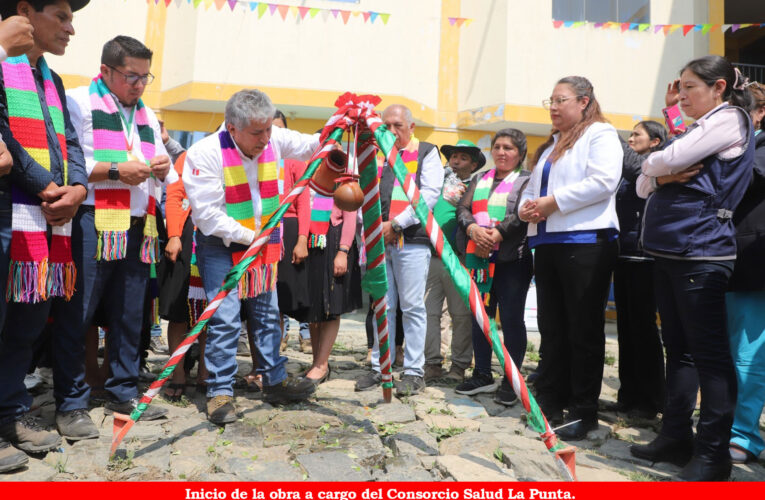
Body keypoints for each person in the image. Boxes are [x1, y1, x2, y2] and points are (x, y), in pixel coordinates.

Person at [629, 56, 755, 481]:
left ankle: (714, 453)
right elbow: (646, 180)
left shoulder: (729, 119)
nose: (680, 96)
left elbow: (664, 159)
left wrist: (660, 166)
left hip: (702, 252)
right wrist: (662, 172)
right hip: (670, 251)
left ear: (718, 87)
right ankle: (675, 435)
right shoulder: (700, 126)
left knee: (710, 356)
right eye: (678, 88)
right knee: (677, 348)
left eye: (689, 87)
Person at [183, 89, 319, 423]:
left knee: (268, 313)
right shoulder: (205, 153)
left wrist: (344, 127)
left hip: (263, 244)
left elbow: (310, 145)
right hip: (221, 244)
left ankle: (274, 381)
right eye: (257, 133)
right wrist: (251, 237)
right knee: (225, 318)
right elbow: (208, 215)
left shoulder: (271, 139)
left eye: (269, 130)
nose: (266, 139)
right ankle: (219, 392)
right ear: (232, 128)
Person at [0, 0, 90, 473]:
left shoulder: (52, 80)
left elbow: (71, 143)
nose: (70, 28)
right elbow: (5, 139)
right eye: (61, 15)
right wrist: (46, 185)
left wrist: (77, 187)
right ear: (24, 11)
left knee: (27, 326)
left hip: (49, 222)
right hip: (12, 212)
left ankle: (12, 410)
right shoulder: (2, 64)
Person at [65, 35, 175, 423]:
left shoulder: (145, 114)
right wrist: (116, 171)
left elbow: (166, 172)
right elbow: (69, 162)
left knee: (131, 313)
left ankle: (123, 391)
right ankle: (72, 398)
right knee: (80, 312)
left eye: (146, 77)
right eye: (131, 76)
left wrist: (161, 167)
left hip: (139, 223)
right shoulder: (78, 101)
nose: (139, 85)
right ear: (106, 71)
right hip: (94, 218)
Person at [519, 76, 622, 439]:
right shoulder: (550, 146)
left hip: (586, 242)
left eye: (560, 99)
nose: (552, 106)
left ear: (583, 101)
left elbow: (604, 181)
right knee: (552, 327)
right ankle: (550, 399)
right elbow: (531, 190)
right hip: (546, 243)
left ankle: (583, 409)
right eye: (550, 99)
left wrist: (552, 204)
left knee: (583, 329)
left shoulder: (600, 134)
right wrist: (526, 210)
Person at [355, 104, 444, 396]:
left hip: (412, 240)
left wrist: (396, 223)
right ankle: (382, 368)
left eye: (398, 126)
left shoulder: (427, 151)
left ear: (412, 127)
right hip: (379, 240)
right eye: (387, 126)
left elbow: (428, 195)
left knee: (412, 307)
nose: (391, 132)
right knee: (383, 306)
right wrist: (369, 226)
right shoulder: (376, 153)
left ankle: (414, 372)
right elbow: (363, 191)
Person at [456, 130, 533, 405]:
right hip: (479, 261)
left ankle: (512, 381)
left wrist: (498, 233)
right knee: (481, 317)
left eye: (509, 148)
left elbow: (523, 214)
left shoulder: (527, 181)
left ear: (520, 154)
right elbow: (462, 209)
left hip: (513, 260)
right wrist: (473, 228)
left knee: (511, 321)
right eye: (497, 147)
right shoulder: (480, 179)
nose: (501, 152)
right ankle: (482, 373)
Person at [612, 120, 667, 419]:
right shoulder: (625, 173)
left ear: (656, 142)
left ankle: (651, 400)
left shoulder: (653, 166)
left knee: (644, 328)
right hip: (622, 255)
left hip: (645, 258)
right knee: (626, 328)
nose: (631, 139)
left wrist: (608, 133)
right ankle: (627, 395)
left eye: (637, 135)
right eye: (629, 135)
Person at [423, 139, 484, 384]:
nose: (456, 161)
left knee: (460, 315)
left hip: (459, 258)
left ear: (474, 164)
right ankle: (432, 363)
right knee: (429, 313)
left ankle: (459, 365)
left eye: (463, 158)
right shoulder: (436, 183)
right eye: (454, 157)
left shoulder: (477, 187)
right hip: (430, 255)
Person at [727, 81, 765, 465]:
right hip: (722, 259)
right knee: (726, 349)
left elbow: (740, 178)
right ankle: (726, 423)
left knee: (748, 355)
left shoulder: (758, 149)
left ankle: (745, 435)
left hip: (754, 263)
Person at [303, 188, 361, 385]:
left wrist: (343, 250)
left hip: (335, 240)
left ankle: (322, 363)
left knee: (331, 305)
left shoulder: (345, 176)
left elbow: (350, 216)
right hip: (311, 238)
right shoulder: (310, 172)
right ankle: (316, 361)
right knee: (313, 305)